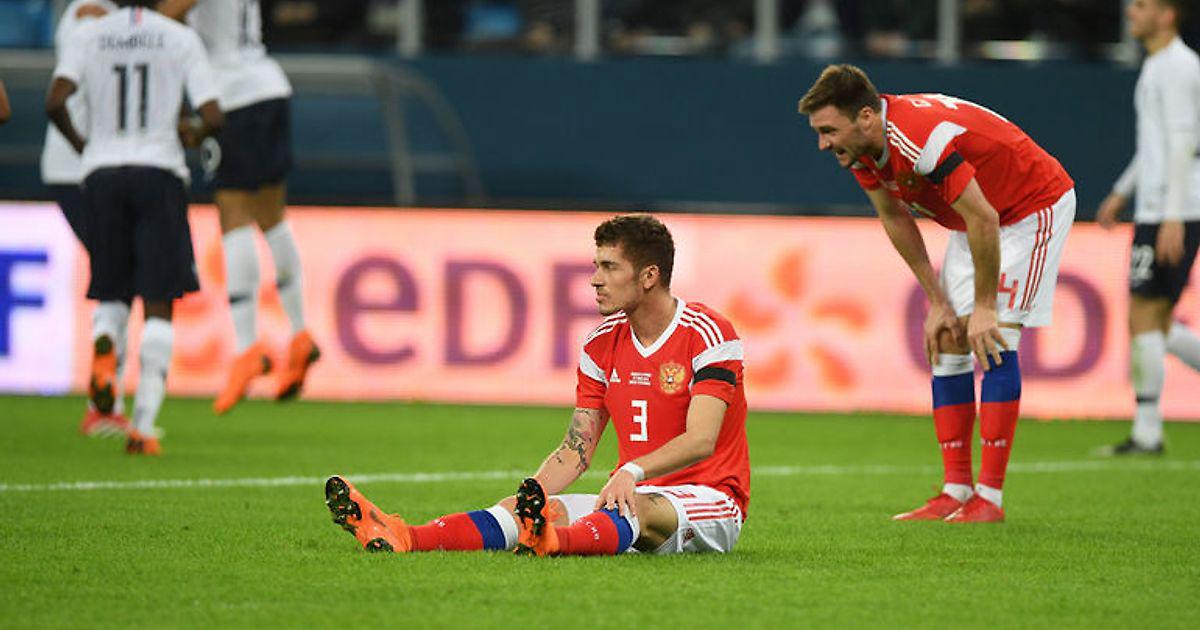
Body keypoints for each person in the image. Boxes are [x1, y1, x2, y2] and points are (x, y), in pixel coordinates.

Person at [324, 214, 750, 556]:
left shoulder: (707, 333)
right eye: (595, 266)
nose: (594, 279)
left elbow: (702, 439)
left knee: (635, 508)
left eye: (609, 267)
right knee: (528, 511)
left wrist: (631, 471)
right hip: (630, 497)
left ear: (649, 276)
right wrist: (531, 499)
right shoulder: (601, 343)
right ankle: (404, 535)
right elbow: (576, 450)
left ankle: (554, 543)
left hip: (709, 501)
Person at [799, 64, 1075, 523]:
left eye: (828, 131)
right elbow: (895, 216)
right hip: (974, 220)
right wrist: (938, 302)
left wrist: (984, 307)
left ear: (865, 117)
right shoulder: (863, 149)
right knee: (948, 337)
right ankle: (955, 490)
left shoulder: (917, 139)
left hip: (1029, 208)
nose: (823, 144)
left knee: (995, 337)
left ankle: (989, 499)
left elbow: (985, 217)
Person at [46, 0, 223, 455]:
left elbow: (56, 101)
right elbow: (213, 114)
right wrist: (194, 133)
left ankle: (105, 345)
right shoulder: (179, 37)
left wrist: (84, 147)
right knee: (159, 303)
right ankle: (142, 426)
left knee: (112, 292)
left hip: (102, 173)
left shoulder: (90, 34)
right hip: (158, 172)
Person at [159, 0, 319, 415]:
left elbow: (167, 15)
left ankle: (247, 348)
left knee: (234, 216)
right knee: (272, 217)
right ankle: (300, 333)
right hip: (268, 85)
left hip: (231, 95)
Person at [1097, 0, 1200, 455]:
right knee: (1157, 320)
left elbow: (1183, 142)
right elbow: (1155, 146)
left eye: (1142, 5)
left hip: (1171, 210)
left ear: (1168, 14)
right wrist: (1122, 192)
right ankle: (1147, 430)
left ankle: (1147, 431)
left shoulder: (1177, 67)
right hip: (1163, 207)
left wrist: (1172, 215)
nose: (1131, 13)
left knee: (1144, 313)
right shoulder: (1161, 65)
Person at [41, 0, 131, 438]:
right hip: (84, 166)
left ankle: (106, 389)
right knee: (118, 274)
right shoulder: (90, 11)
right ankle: (105, 400)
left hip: (84, 166)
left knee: (117, 272)